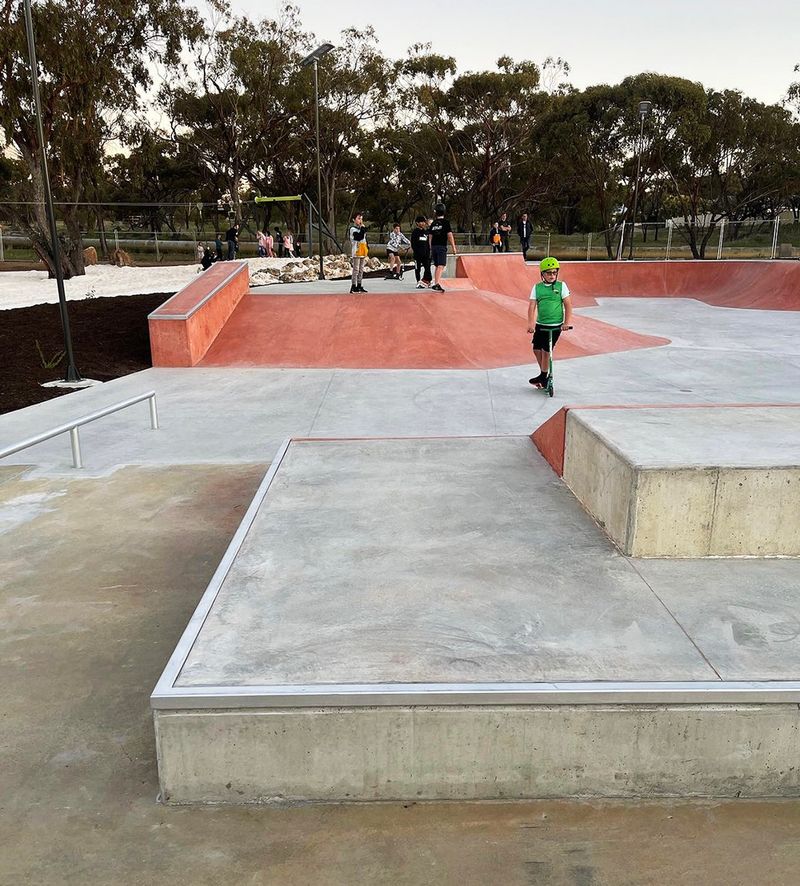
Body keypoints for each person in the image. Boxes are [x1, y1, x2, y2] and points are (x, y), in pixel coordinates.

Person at [527, 256, 573, 387]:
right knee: (536, 349)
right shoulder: (537, 288)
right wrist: (531, 324)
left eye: (554, 272)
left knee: (547, 351)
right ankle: (544, 374)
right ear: (542, 274)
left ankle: (543, 376)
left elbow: (568, 305)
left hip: (556, 325)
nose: (552, 275)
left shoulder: (561, 286)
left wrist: (566, 323)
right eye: (549, 273)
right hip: (540, 324)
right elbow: (531, 307)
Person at [427, 203, 457, 292]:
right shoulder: (446, 223)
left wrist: (430, 247)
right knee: (441, 265)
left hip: (434, 247)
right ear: (444, 212)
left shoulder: (433, 223)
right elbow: (450, 235)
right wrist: (454, 247)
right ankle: (436, 284)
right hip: (441, 247)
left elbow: (430, 236)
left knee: (437, 265)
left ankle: (434, 282)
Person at [410, 215, 432, 289]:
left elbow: (428, 243)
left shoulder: (426, 232)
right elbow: (413, 244)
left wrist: (429, 252)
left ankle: (428, 280)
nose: (423, 223)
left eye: (424, 222)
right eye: (421, 222)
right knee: (417, 269)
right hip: (417, 255)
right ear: (417, 223)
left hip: (426, 254)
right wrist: (416, 252)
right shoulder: (415, 232)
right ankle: (418, 281)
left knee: (427, 268)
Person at [349, 212, 368, 293]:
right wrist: (363, 229)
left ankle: (359, 285)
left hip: (363, 251)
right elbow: (359, 237)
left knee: (361, 269)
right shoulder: (353, 229)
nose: (360, 220)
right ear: (354, 220)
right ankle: (353, 286)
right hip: (357, 251)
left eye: (361, 219)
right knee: (356, 269)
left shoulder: (362, 229)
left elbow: (364, 238)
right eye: (358, 218)